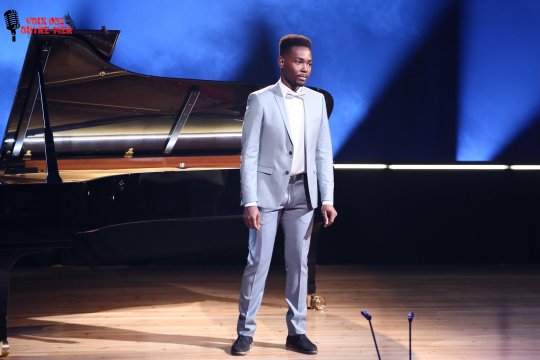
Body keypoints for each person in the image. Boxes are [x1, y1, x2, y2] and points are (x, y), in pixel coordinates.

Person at [231, 34, 337, 356]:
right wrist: (250, 200)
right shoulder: (260, 99)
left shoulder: (317, 101)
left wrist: (327, 198)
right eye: (298, 61)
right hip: (266, 194)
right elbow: (248, 154)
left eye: (308, 63)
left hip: (304, 193)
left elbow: (323, 153)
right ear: (282, 62)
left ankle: (297, 331)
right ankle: (245, 332)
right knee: (257, 263)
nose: (304, 68)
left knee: (299, 265)